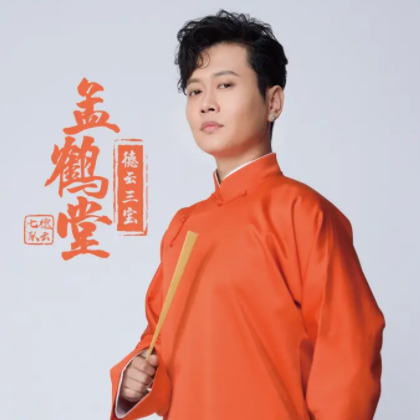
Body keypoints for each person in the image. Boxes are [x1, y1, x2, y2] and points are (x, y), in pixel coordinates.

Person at [109, 9, 385, 420]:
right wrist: (134, 379)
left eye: (225, 85)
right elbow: (158, 340)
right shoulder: (183, 226)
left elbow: (346, 351)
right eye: (195, 91)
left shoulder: (302, 212)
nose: (207, 104)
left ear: (273, 102)